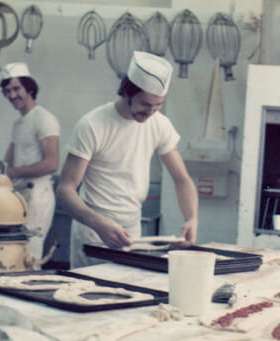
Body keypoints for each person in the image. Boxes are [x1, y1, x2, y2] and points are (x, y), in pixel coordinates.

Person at [56, 51, 198, 268]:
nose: (151, 111)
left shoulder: (159, 124)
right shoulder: (93, 125)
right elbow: (65, 189)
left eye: (158, 105)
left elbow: (182, 179)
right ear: (127, 92)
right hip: (94, 232)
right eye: (145, 103)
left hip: (133, 232)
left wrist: (191, 218)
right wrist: (99, 224)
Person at [0, 63, 60, 259]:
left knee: (29, 256)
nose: (12, 95)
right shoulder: (18, 124)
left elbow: (52, 164)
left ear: (30, 88)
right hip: (19, 196)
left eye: (16, 89)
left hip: (37, 197)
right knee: (15, 254)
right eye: (7, 91)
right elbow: (7, 163)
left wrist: (13, 173)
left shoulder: (43, 118)